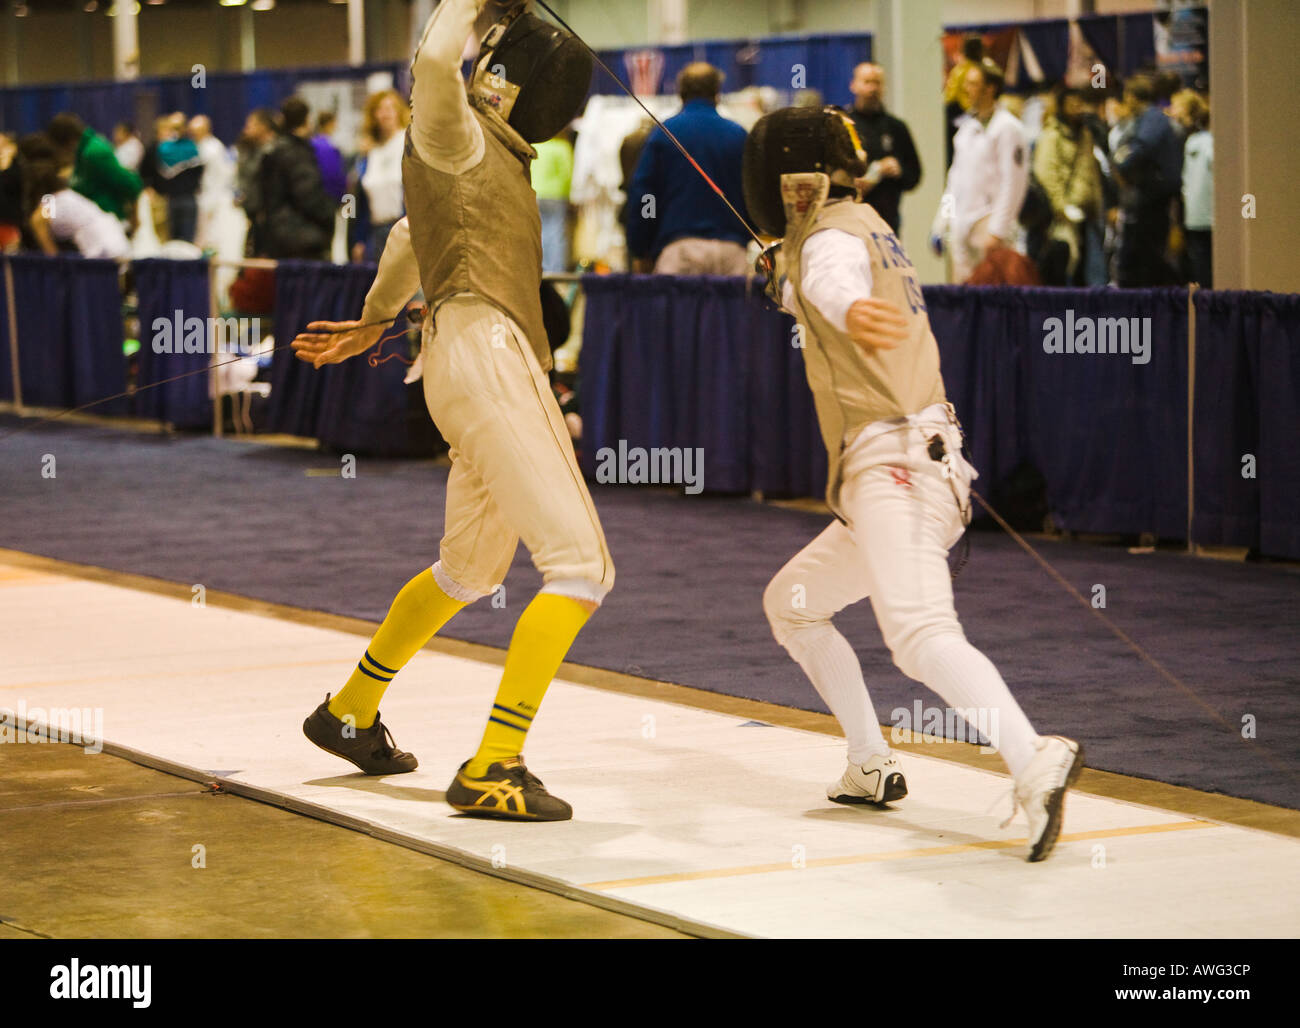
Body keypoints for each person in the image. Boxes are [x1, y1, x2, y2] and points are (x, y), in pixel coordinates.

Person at [291, 0, 610, 822]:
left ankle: (348, 711)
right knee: (581, 568)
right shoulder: (458, 127)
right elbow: (433, 67)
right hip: (490, 360)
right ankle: (495, 763)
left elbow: (406, 241)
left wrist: (370, 324)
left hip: (463, 364)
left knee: (469, 571)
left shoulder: (492, 156)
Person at [747, 106, 1083, 862]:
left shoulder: (830, 243)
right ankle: (869, 764)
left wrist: (829, 298)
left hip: (895, 464)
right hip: (917, 460)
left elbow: (833, 285)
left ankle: (1034, 760)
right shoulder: (862, 224)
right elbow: (818, 286)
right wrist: (782, 277)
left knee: (921, 636)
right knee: (794, 605)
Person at [624, 62, 750, 274]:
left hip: (678, 251)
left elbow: (646, 195)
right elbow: (753, 194)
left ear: (680, 92)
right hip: (732, 252)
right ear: (717, 92)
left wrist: (641, 245)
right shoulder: (738, 135)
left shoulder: (663, 134)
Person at [930, 59, 1029, 284]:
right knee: (965, 301)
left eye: (973, 84)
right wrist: (940, 223)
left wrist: (997, 230)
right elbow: (954, 183)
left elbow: (1013, 184)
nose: (966, 89)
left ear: (990, 88)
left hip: (990, 226)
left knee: (995, 301)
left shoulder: (1008, 128)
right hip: (961, 228)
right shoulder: (966, 129)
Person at [1112, 73, 1183, 287]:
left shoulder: (1152, 119)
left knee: (1148, 259)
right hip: (1151, 197)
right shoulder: (1150, 118)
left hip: (1154, 199)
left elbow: (1141, 147)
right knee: (1144, 257)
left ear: (1133, 97)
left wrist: (1120, 162)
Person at [1032, 86, 1103, 285]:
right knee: (1062, 268)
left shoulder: (1086, 134)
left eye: (1079, 104)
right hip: (1062, 216)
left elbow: (1091, 174)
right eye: (1072, 104)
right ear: (1062, 107)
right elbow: (1047, 173)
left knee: (1084, 271)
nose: (1077, 108)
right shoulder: (1052, 135)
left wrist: (1096, 206)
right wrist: (1060, 207)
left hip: (1085, 212)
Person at [842, 62, 921, 234]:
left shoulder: (896, 127)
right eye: (867, 82)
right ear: (853, 85)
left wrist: (898, 170)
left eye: (877, 83)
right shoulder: (843, 125)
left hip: (887, 221)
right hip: (852, 221)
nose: (872, 88)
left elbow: (914, 175)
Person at [258, 96, 337, 260]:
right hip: (302, 241)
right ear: (307, 120)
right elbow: (308, 195)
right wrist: (330, 215)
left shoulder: (272, 150)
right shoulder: (298, 153)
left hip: (278, 239)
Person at [25, 159, 131, 259]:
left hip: (103, 252)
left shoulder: (46, 207)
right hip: (118, 242)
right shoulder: (69, 196)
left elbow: (51, 255)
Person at [46, 112, 141, 223]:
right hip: (96, 219)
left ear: (68, 141)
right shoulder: (84, 151)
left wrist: (135, 217)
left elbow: (131, 184)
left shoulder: (94, 153)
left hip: (108, 221)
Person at [349, 89, 409, 262]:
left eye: (390, 107)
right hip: (375, 235)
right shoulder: (366, 154)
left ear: (398, 111)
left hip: (404, 231)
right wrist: (357, 239)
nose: (386, 113)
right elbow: (354, 201)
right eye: (381, 109)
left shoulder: (408, 143)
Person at [140, 112, 204, 244]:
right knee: (169, 240)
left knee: (186, 241)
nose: (173, 131)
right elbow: (146, 171)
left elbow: (199, 172)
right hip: (166, 199)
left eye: (176, 127)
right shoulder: (161, 148)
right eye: (171, 128)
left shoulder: (191, 147)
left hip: (186, 198)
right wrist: (148, 186)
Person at [1172, 90, 1212, 287]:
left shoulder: (1198, 142)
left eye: (1176, 107)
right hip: (1200, 215)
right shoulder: (1198, 141)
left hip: (1198, 215)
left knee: (1202, 268)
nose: (1171, 112)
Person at [188, 115, 236, 252]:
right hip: (201, 197)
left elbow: (223, 175)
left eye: (196, 130)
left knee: (209, 238)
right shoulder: (195, 146)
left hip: (212, 199)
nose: (192, 134)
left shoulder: (213, 148)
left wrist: (213, 200)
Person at [532, 131, 574, 273]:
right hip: (556, 194)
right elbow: (568, 174)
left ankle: (541, 268)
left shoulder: (537, 145)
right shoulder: (562, 146)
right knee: (556, 233)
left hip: (536, 193)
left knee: (539, 232)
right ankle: (556, 270)